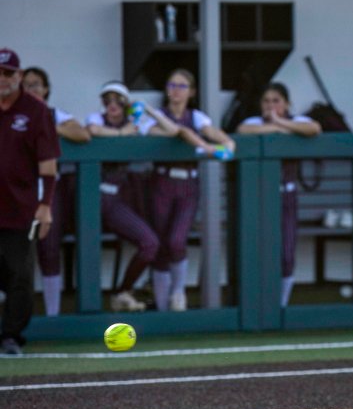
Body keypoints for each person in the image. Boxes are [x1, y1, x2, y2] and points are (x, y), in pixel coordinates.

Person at [146, 68, 236, 312]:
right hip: (162, 182)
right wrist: (206, 147)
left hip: (187, 184)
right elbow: (171, 132)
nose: (176, 91)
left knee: (177, 241)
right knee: (160, 245)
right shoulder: (156, 116)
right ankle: (163, 309)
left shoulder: (196, 117)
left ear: (192, 92)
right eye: (172, 85)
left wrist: (227, 143)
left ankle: (178, 292)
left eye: (182, 86)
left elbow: (214, 133)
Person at [86, 80, 177, 312]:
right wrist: (121, 133)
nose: (112, 105)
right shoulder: (97, 119)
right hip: (93, 197)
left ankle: (123, 292)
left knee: (150, 243)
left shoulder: (136, 123)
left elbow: (171, 131)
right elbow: (93, 131)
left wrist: (148, 110)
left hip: (119, 198)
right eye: (107, 100)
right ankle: (90, 306)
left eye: (118, 100)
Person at [237, 82, 321, 307]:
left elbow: (314, 129)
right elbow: (243, 130)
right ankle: (259, 303)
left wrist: (280, 123)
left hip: (287, 196)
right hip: (260, 198)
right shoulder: (255, 122)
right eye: (266, 101)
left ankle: (281, 305)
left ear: (287, 103)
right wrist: (275, 128)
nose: (271, 105)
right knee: (258, 251)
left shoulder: (296, 121)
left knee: (286, 253)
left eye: (276, 101)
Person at [0, 49, 60, 355]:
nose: (2, 79)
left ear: (19, 76)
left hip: (20, 207)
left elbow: (48, 166)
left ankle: (11, 336)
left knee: (19, 274)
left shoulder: (35, 110)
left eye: (8, 73)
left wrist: (45, 206)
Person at [21, 66, 91, 317]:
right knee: (13, 253)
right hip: (16, 192)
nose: (30, 89)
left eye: (35, 84)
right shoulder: (10, 113)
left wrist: (48, 126)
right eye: (26, 84)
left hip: (49, 191)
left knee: (49, 249)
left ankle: (53, 314)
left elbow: (82, 134)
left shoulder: (53, 114)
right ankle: (15, 315)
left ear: (46, 89)